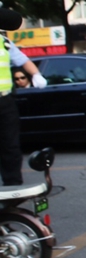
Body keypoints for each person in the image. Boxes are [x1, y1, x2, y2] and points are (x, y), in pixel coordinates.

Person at [1, 35, 48, 186]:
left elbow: (23, 60)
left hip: (5, 101)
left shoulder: (4, 42)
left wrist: (36, 74)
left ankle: (13, 185)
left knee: (11, 145)